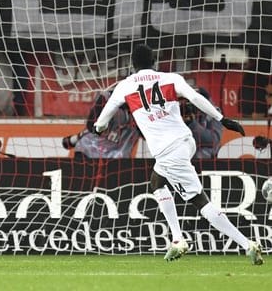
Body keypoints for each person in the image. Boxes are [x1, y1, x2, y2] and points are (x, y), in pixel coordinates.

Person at [93, 44, 263, 265]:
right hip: (185, 141)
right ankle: (177, 238)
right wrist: (223, 120)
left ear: (132, 64)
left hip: (168, 151)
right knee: (156, 181)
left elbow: (102, 120)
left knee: (200, 202)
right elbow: (196, 98)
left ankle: (247, 244)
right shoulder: (171, 78)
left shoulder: (125, 86)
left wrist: (99, 127)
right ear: (154, 61)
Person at [62, 91, 141, 159]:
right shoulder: (111, 105)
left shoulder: (141, 116)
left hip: (116, 159)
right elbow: (91, 124)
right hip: (87, 153)